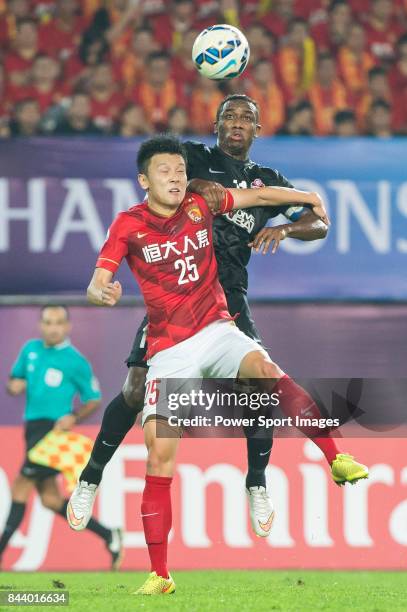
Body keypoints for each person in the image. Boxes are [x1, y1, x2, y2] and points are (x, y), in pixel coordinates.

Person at [75, 94, 367, 540]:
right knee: (134, 390)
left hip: (227, 291)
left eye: (245, 118)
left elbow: (318, 222)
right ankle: (91, 476)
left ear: (258, 129)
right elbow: (162, 175)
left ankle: (257, 481)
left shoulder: (266, 179)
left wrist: (285, 227)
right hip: (176, 289)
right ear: (214, 125)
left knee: (261, 386)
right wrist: (191, 186)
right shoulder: (193, 158)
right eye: (228, 116)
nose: (236, 123)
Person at [0, 305, 123, 570]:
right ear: (41, 325)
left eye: (58, 323)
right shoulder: (30, 350)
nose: (52, 327)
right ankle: (108, 534)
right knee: (50, 500)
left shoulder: (75, 360)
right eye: (47, 322)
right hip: (32, 428)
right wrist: (14, 385)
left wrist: (74, 417)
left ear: (67, 327)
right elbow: (14, 380)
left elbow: (93, 399)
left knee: (21, 484)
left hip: (53, 431)